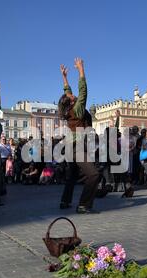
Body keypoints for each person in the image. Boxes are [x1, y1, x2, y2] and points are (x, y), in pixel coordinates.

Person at [58, 58, 101, 214]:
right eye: (72, 98)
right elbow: (83, 91)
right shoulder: (77, 109)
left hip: (72, 145)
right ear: (71, 104)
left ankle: (65, 201)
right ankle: (83, 204)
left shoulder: (68, 109)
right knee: (93, 174)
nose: (73, 95)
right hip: (78, 145)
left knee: (72, 175)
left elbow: (67, 93)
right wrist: (81, 69)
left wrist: (64, 78)